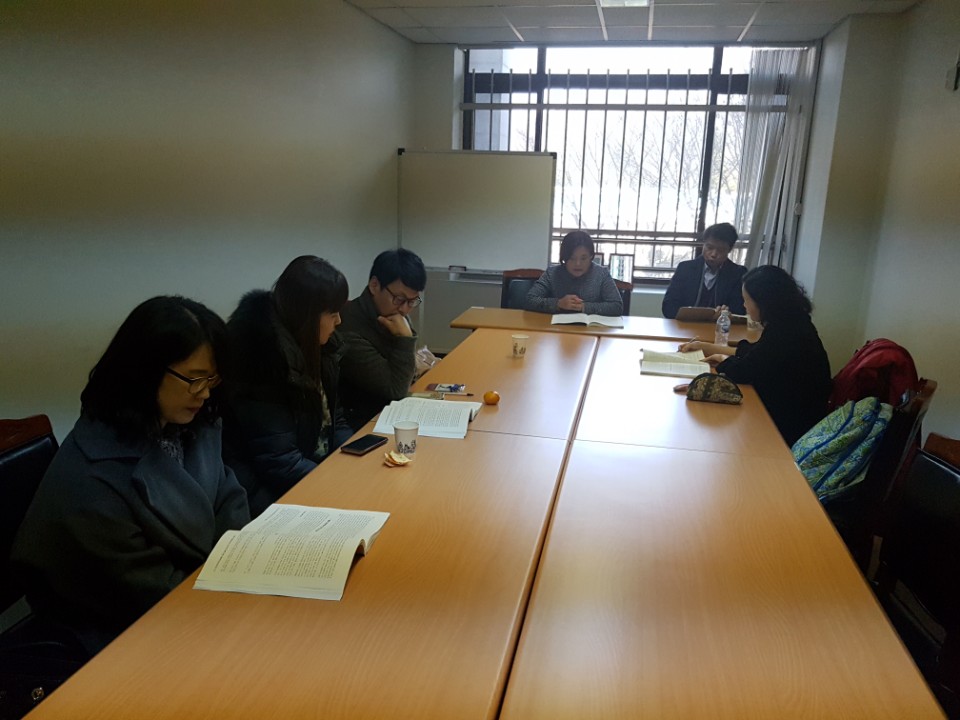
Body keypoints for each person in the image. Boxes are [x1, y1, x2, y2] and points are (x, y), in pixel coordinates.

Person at [11, 296, 249, 656]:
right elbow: (160, 595)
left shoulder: (188, 421)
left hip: (199, 596)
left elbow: (228, 495)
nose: (204, 392)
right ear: (144, 372)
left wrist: (238, 563)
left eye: (211, 378)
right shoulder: (93, 483)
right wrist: (234, 574)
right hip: (120, 638)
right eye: (193, 379)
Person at [223, 256, 353, 516]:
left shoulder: (319, 346)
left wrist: (354, 459)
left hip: (311, 472)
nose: (339, 321)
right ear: (307, 316)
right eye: (332, 314)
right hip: (269, 497)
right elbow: (280, 462)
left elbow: (335, 420)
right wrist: (339, 484)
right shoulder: (260, 359)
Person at [678, 265, 832, 446]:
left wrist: (721, 362)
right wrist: (710, 348)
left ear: (764, 302)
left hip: (790, 426)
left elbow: (743, 371)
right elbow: (758, 352)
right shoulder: (792, 321)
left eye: (746, 300)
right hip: (791, 409)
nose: (744, 305)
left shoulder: (786, 332)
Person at [337, 249, 427, 431]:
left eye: (412, 301)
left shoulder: (390, 315)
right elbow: (396, 390)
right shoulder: (347, 329)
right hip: (362, 423)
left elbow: (409, 373)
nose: (405, 309)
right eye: (399, 299)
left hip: (389, 413)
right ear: (374, 285)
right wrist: (405, 339)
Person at [524, 231, 623, 316]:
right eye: (572, 258)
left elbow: (617, 306)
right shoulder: (552, 273)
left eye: (583, 258)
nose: (578, 264)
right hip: (556, 328)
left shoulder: (601, 274)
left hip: (591, 329)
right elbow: (529, 300)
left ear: (591, 256)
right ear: (564, 257)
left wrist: (584, 307)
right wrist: (558, 303)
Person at [661, 222, 747, 319]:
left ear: (730, 249)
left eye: (720, 250)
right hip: (685, 325)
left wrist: (726, 314)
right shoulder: (685, 269)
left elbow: (739, 310)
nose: (713, 254)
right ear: (703, 244)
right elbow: (668, 307)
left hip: (721, 326)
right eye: (709, 247)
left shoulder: (738, 273)